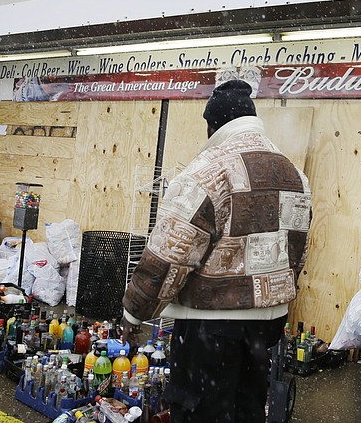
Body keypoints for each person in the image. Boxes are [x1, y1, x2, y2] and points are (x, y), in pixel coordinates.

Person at [121, 80, 311, 423]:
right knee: (247, 411)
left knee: (199, 411)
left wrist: (135, 312)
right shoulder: (294, 173)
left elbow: (170, 256)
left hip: (210, 329)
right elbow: (296, 253)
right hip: (264, 329)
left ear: (214, 124)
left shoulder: (208, 171)